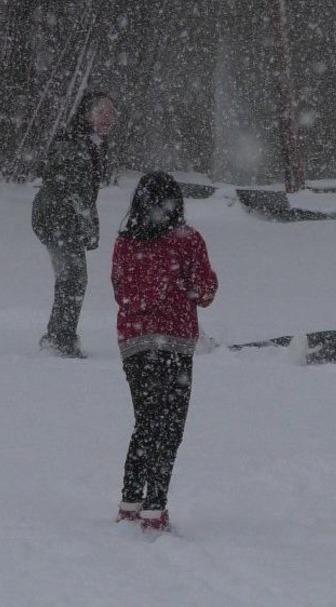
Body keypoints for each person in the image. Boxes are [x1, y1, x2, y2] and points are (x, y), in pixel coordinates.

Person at [111, 172, 218, 532]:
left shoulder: (124, 243)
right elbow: (206, 291)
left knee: (145, 422)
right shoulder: (188, 241)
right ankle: (155, 507)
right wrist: (182, 290)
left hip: (134, 344)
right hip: (174, 343)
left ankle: (130, 501)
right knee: (169, 427)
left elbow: (119, 289)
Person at [32, 91, 118, 357]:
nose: (108, 116)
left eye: (111, 111)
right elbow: (76, 194)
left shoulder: (89, 143)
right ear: (86, 114)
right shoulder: (75, 146)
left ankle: (59, 336)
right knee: (73, 278)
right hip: (56, 219)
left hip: (59, 219)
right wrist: (89, 228)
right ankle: (60, 339)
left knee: (70, 278)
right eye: (100, 110)